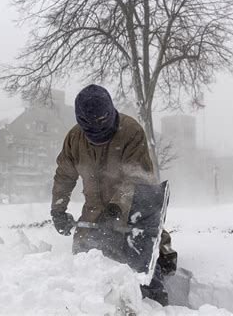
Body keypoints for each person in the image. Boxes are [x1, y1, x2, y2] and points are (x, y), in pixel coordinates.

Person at [50, 84, 177, 306]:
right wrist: (58, 210)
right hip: (93, 216)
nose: (97, 131)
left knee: (143, 272)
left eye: (101, 122)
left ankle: (155, 304)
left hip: (132, 213)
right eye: (90, 126)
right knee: (85, 267)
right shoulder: (74, 139)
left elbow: (139, 177)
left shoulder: (130, 132)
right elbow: (64, 176)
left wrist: (117, 207)